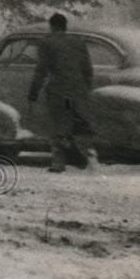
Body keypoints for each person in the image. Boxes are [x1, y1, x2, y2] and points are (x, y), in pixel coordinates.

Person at [27, 13, 94, 173]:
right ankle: (81, 156)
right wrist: (85, 89)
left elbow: (41, 70)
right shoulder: (78, 42)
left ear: (52, 26)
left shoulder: (46, 43)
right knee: (72, 122)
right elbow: (88, 69)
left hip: (59, 91)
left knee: (58, 124)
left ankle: (59, 163)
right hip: (77, 91)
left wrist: (33, 91)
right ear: (65, 25)